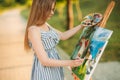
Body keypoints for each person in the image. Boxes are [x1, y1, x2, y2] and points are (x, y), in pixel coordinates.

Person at [24, 0, 85, 80]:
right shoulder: (34, 30)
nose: (52, 12)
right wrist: (71, 63)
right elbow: (44, 61)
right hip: (44, 72)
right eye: (49, 9)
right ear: (40, 8)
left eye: (53, 9)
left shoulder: (46, 24)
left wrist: (82, 25)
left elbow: (63, 35)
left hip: (55, 68)